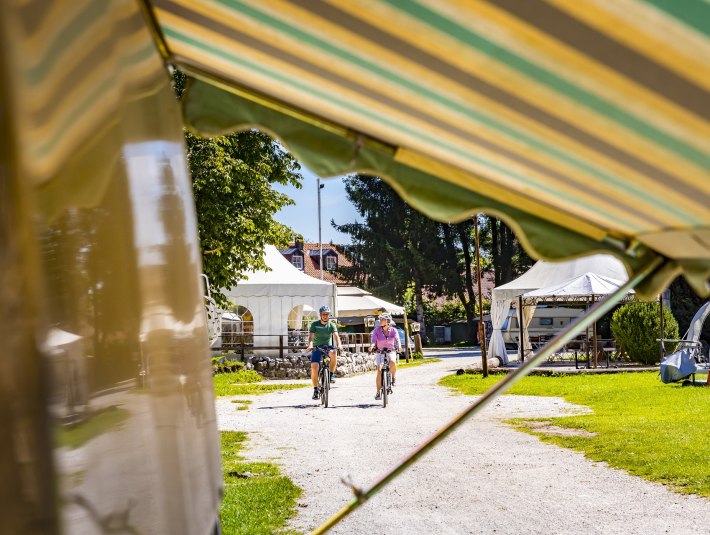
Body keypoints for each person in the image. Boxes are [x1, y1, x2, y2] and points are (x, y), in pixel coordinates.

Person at [306, 305, 342, 400]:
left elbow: (336, 336)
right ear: (320, 315)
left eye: (327, 314)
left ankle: (331, 374)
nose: (326, 316)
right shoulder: (315, 324)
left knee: (334, 353)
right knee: (314, 367)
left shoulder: (331, 324)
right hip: (317, 347)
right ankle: (315, 390)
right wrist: (310, 345)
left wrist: (339, 345)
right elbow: (311, 337)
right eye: (324, 314)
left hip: (327, 346)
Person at [369, 312, 401, 400]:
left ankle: (393, 378)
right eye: (380, 319)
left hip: (391, 351)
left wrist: (400, 347)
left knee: (393, 361)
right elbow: (373, 341)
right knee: (379, 370)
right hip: (380, 351)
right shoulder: (376, 330)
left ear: (388, 321)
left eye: (382, 319)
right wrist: (372, 346)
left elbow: (397, 339)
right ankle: (378, 392)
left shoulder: (394, 330)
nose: (380, 321)